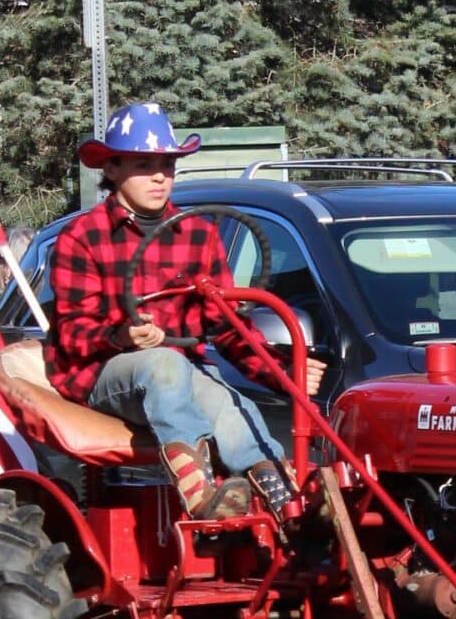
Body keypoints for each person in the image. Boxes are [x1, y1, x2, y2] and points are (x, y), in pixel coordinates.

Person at [47, 103, 289, 520]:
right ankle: (201, 497)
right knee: (163, 364)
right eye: (145, 165)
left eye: (168, 165)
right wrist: (121, 336)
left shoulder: (199, 233)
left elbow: (226, 324)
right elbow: (73, 334)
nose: (160, 176)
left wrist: (282, 371)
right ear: (112, 169)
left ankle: (284, 499)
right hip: (103, 375)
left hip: (181, 371)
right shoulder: (81, 237)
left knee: (229, 401)